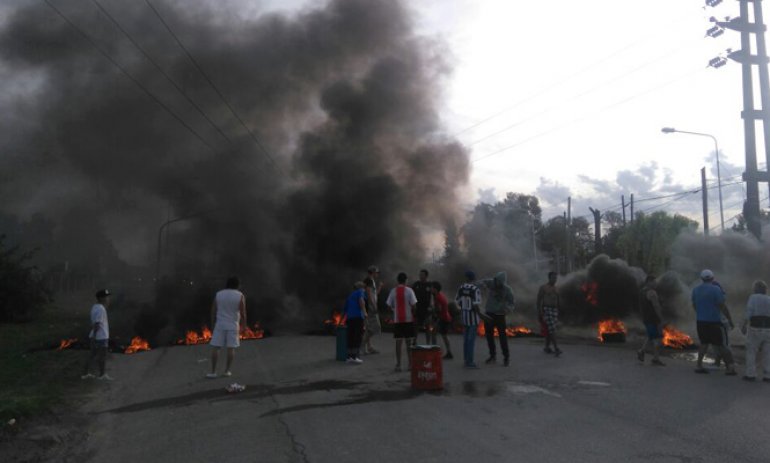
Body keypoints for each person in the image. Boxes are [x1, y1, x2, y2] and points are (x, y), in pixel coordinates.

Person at [691, 269, 736, 375]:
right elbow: (722, 306)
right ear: (712, 278)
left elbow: (694, 304)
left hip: (701, 321)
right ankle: (730, 368)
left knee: (704, 344)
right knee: (721, 345)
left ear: (701, 279)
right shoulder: (716, 289)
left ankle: (699, 366)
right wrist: (730, 320)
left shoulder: (696, 290)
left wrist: (701, 313)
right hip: (714, 322)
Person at [207, 276, 247, 378]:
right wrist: (244, 325)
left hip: (220, 324)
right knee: (231, 348)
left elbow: (213, 311)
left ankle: (213, 372)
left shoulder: (219, 294)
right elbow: (242, 312)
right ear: (237, 285)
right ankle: (227, 371)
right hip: (233, 325)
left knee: (216, 348)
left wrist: (212, 324)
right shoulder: (240, 295)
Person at [478, 272, 515, 366]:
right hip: (489, 314)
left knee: (502, 337)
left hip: (500, 315)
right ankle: (492, 356)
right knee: (489, 336)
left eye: (499, 282)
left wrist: (508, 309)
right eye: (496, 281)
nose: (497, 283)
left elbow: (511, 303)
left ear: (502, 282)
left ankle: (506, 357)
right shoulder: (491, 283)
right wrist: (482, 286)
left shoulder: (507, 290)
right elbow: (480, 283)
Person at [386, 272, 417, 372]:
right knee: (409, 343)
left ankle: (398, 365)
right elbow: (414, 305)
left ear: (397, 280)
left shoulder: (393, 291)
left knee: (398, 342)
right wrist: (412, 312)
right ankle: (410, 364)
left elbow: (388, 304)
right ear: (406, 280)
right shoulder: (409, 291)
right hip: (408, 319)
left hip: (398, 320)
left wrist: (394, 310)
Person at [741, 280, 770, 382]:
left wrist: (744, 325)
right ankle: (767, 375)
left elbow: (749, 311)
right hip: (768, 328)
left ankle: (751, 374)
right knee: (767, 352)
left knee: (751, 351)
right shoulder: (769, 299)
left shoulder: (753, 298)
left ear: (755, 289)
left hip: (755, 327)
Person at [456, 270, 485, 369]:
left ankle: (466, 360)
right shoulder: (475, 289)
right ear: (474, 278)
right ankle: (470, 362)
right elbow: (476, 304)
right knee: (471, 340)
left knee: (465, 340)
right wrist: (480, 315)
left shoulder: (461, 288)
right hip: (473, 318)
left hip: (464, 317)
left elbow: (457, 301)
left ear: (466, 278)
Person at [82, 289, 113, 380]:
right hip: (101, 337)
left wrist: (93, 337)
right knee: (102, 356)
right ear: (101, 298)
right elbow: (97, 324)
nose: (108, 299)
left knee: (92, 355)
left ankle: (85, 373)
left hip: (96, 336)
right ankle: (102, 375)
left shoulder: (94, 307)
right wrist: (95, 338)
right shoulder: (101, 309)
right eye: (106, 297)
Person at [637, 275, 665, 366]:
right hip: (653, 319)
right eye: (654, 282)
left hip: (646, 318)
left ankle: (641, 351)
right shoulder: (652, 292)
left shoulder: (642, 291)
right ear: (649, 282)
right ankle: (655, 359)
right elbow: (656, 306)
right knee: (657, 339)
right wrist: (661, 318)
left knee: (650, 336)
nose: (656, 283)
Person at [536, 272, 562, 356]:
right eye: (553, 277)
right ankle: (556, 348)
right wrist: (540, 312)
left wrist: (559, 311)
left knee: (549, 330)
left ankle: (547, 347)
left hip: (555, 311)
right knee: (552, 329)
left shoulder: (557, 288)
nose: (555, 279)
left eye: (556, 278)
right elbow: (539, 300)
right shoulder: (543, 288)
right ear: (549, 278)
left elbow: (558, 301)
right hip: (547, 310)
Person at [344, 282, 367, 364]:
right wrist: (364, 312)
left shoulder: (350, 295)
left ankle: (349, 357)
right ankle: (355, 357)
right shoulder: (360, 291)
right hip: (358, 317)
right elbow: (361, 301)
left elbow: (345, 309)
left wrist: (340, 323)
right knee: (358, 337)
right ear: (361, 287)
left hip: (350, 318)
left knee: (350, 337)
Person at [362, 265, 381, 355]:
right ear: (373, 272)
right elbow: (369, 294)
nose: (377, 274)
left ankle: (368, 347)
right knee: (375, 327)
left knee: (369, 328)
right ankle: (362, 345)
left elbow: (374, 294)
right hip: (370, 307)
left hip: (370, 306)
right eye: (376, 272)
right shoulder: (369, 281)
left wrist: (380, 287)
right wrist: (373, 306)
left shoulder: (371, 281)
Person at [431, 281, 453, 359]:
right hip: (444, 317)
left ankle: (434, 351)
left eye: (432, 288)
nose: (431, 289)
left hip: (443, 318)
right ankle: (448, 352)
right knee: (442, 335)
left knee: (439, 334)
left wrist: (432, 310)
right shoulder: (439, 295)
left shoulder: (438, 297)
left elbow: (439, 309)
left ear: (435, 289)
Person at [412, 269, 434, 345]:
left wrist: (431, 306)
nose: (420, 276)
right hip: (418, 308)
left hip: (427, 309)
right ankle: (414, 341)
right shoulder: (416, 284)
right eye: (420, 274)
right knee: (416, 326)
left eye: (422, 275)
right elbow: (412, 296)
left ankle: (428, 343)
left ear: (426, 276)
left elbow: (432, 296)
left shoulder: (430, 285)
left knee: (428, 326)